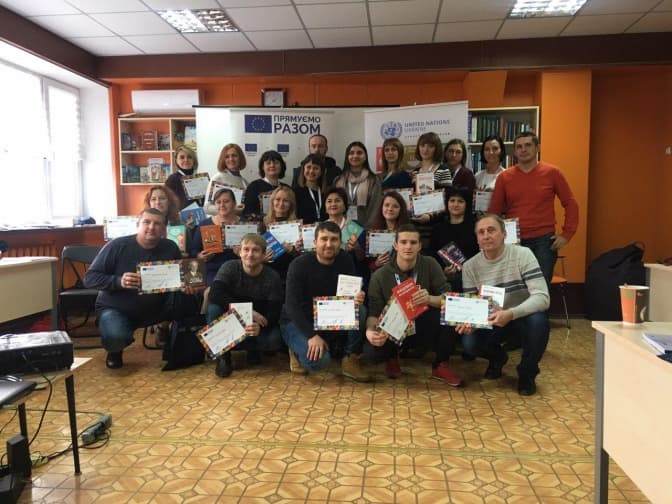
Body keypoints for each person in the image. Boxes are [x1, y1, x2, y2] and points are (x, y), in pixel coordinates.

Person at [84, 208, 189, 369]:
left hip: (157, 308)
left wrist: (187, 285)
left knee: (188, 299)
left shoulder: (170, 247)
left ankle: (171, 339)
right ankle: (115, 349)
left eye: (157, 224)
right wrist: (118, 281)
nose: (151, 227)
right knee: (116, 336)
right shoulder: (117, 246)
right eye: (147, 222)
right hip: (117, 308)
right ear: (137, 224)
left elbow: (179, 277)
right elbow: (90, 278)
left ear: (164, 229)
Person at [458, 214, 550, 396]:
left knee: (539, 322)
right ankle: (498, 358)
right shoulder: (469, 266)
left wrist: (511, 313)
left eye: (491, 230)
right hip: (491, 320)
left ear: (504, 234)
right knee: (469, 343)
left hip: (521, 316)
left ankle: (527, 372)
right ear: (477, 238)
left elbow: (542, 297)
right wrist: (471, 322)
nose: (486, 236)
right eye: (481, 232)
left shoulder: (523, 254)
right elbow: (472, 305)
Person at [365, 224, 461, 384]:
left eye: (413, 242)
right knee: (371, 352)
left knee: (449, 312)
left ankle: (440, 365)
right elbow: (374, 312)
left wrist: (429, 299)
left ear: (420, 246)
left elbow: (449, 298)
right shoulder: (380, 275)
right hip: (394, 327)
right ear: (395, 245)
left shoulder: (430, 264)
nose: (408, 247)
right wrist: (370, 331)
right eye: (403, 242)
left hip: (423, 322)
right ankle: (391, 358)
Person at [280, 221, 370, 381]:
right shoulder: (298, 265)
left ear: (340, 243)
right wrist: (312, 335)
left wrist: (357, 297)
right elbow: (292, 306)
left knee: (360, 310)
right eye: (324, 239)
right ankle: (294, 349)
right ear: (315, 242)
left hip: (327, 315)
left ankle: (350, 358)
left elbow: (348, 295)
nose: (329, 244)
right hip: (297, 320)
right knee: (319, 362)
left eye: (334, 239)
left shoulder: (345, 259)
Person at [488, 131, 579, 284]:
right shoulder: (504, 177)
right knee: (514, 289)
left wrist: (567, 234)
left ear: (537, 148)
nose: (523, 150)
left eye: (528, 145)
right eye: (519, 147)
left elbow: (570, 203)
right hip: (513, 240)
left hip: (544, 242)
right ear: (514, 151)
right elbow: (494, 212)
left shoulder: (553, 173)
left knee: (539, 289)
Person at [207, 233, 284, 378]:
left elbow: (275, 309)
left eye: (255, 250)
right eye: (246, 249)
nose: (250, 254)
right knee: (213, 309)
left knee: (274, 341)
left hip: (257, 322)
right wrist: (248, 312)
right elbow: (215, 294)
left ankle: (253, 349)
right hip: (231, 318)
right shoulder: (229, 267)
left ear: (263, 254)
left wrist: (260, 326)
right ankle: (223, 356)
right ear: (240, 252)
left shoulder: (272, 276)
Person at [429, 186, 479, 292]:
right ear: (447, 203)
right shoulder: (438, 229)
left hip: (473, 276)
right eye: (452, 200)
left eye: (460, 201)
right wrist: (443, 270)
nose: (455, 204)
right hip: (445, 277)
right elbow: (432, 255)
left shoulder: (475, 227)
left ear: (467, 204)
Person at [190, 188, 241, 286]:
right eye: (218, 202)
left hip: (239, 267)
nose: (222, 205)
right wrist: (200, 256)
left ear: (234, 203)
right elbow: (193, 250)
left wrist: (242, 253)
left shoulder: (245, 224)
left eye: (226, 201)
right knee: (215, 289)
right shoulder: (204, 224)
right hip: (212, 270)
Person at [410, 132, 451, 252]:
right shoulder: (415, 172)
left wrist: (430, 217)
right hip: (417, 225)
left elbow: (448, 199)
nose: (425, 149)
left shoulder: (443, 170)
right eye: (422, 145)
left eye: (430, 146)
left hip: (435, 225)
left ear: (436, 149)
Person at [334, 141, 382, 227]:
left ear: (365, 157)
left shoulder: (373, 180)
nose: (355, 156)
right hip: (342, 227)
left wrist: (367, 228)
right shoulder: (338, 180)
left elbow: (375, 207)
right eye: (351, 153)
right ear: (347, 157)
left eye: (359, 153)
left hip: (366, 226)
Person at [261, 185, 301, 282]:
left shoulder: (298, 226)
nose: (281, 204)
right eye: (278, 199)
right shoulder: (262, 225)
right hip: (267, 274)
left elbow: (302, 257)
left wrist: (292, 250)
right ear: (272, 201)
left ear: (291, 204)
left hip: (290, 273)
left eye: (286, 200)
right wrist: (261, 258)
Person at [367, 191, 410, 272]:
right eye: (386, 205)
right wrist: (376, 264)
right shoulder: (373, 232)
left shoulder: (408, 231)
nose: (390, 209)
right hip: (380, 274)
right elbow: (368, 266)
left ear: (401, 210)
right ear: (381, 208)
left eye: (395, 206)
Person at [204, 143, 248, 216]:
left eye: (234, 155)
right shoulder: (217, 178)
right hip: (220, 222)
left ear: (240, 158)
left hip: (237, 221)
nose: (231, 159)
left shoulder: (245, 182)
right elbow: (207, 208)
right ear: (223, 160)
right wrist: (231, 210)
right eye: (227, 157)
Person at [243, 150, 289, 217]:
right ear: (262, 167)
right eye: (268, 163)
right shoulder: (254, 186)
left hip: (284, 223)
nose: (272, 165)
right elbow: (248, 212)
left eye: (276, 163)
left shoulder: (287, 189)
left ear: (281, 166)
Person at [294, 153, 327, 224]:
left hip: (324, 229)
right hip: (303, 229)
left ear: (321, 172)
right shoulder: (295, 192)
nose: (311, 171)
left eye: (316, 168)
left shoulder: (327, 193)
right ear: (303, 169)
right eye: (308, 167)